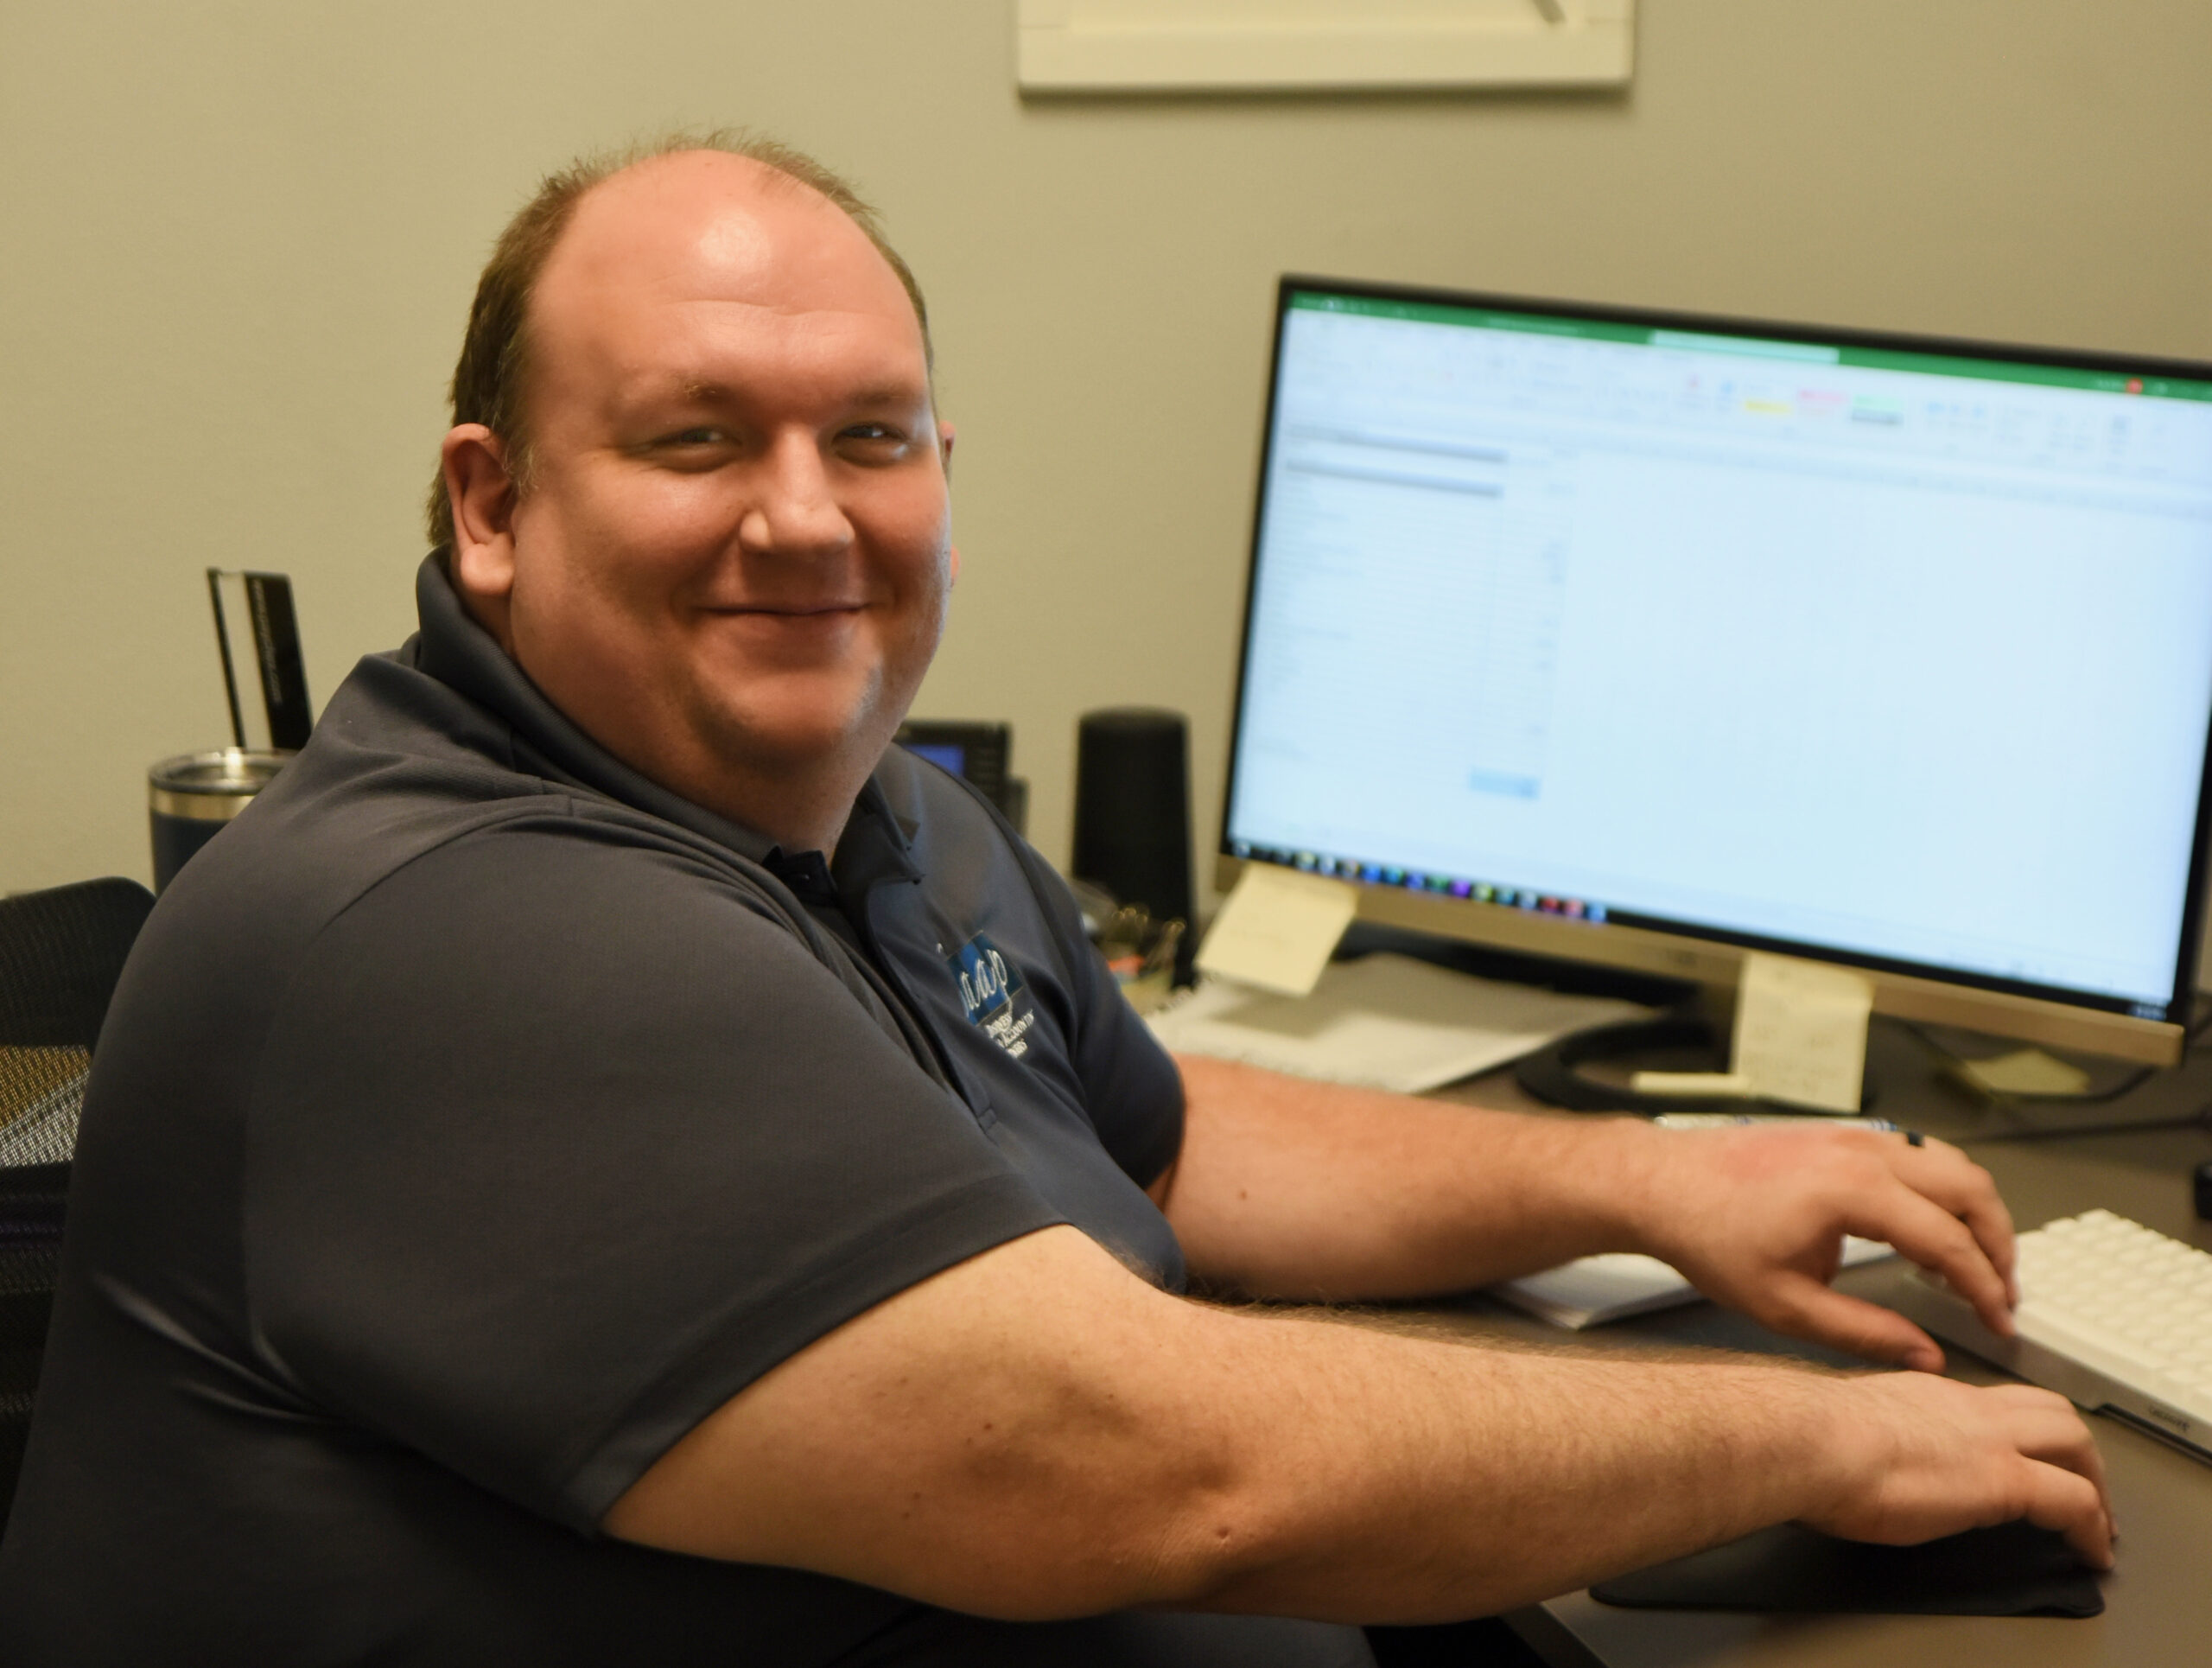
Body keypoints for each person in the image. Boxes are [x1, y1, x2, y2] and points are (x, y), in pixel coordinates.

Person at [0, 133, 2113, 1667]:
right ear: (492, 503)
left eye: (871, 435)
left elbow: (1156, 1135)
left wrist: (1643, 1181)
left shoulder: (875, 810)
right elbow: (1145, 1467)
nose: (806, 518)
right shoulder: (452, 929)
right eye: (696, 438)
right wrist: (1802, 1441)